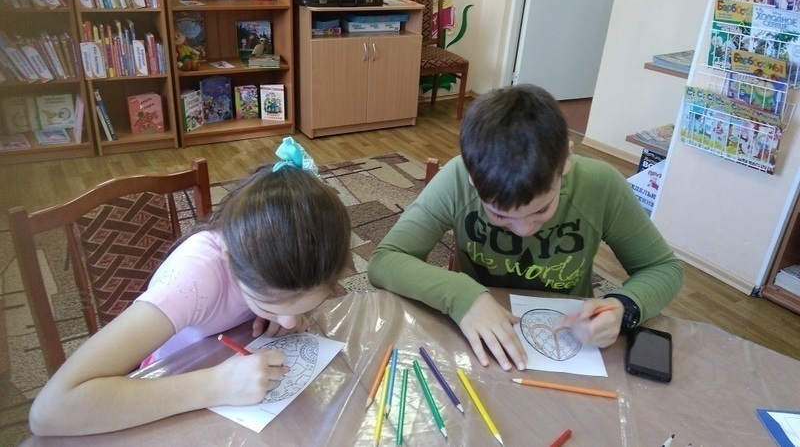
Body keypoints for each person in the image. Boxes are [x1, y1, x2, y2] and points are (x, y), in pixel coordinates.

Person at [29, 140, 352, 436]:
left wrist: (275, 311)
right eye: (270, 305)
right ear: (230, 260)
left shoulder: (287, 265)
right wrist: (217, 385)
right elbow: (49, 412)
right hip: (164, 383)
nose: (291, 323)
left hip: (220, 364)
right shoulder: (190, 282)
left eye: (304, 307)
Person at [368, 84, 683, 372]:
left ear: (566, 160)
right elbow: (385, 260)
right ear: (471, 177)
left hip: (568, 340)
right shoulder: (456, 178)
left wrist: (622, 306)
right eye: (499, 214)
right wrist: (461, 294)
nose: (524, 231)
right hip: (477, 332)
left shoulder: (601, 185)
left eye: (541, 210)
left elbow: (663, 268)